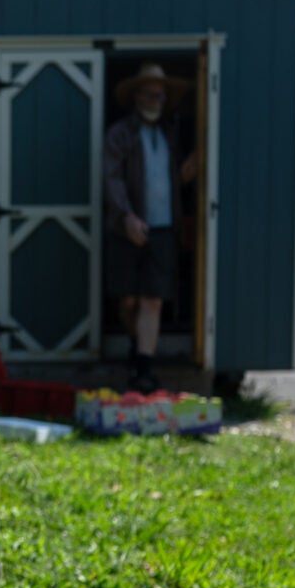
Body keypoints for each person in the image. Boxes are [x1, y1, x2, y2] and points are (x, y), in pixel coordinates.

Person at [103, 62, 195, 394]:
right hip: (127, 227)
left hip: (163, 229)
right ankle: (135, 342)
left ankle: (144, 367)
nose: (153, 98)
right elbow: (111, 179)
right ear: (136, 96)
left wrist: (196, 163)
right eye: (147, 93)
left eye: (159, 94)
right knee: (129, 300)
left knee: (153, 300)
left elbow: (177, 179)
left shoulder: (170, 136)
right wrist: (125, 216)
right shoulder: (121, 134)